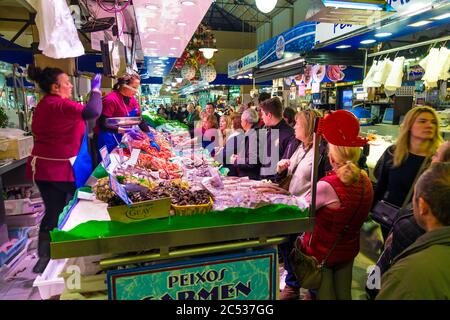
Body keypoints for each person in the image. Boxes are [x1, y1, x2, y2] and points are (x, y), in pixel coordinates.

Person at [26, 66, 103, 273]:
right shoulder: (58, 104)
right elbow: (93, 111)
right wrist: (96, 91)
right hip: (61, 170)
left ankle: (46, 256)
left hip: (44, 169)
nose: (70, 86)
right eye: (66, 82)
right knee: (69, 211)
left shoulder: (44, 105)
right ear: (55, 87)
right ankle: (64, 255)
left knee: (53, 211)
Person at [366, 140, 450, 299]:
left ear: (423, 206)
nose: (432, 157)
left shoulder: (411, 228)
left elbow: (386, 262)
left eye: (437, 154)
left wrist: (372, 288)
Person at [299, 144, 374, 300]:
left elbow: (302, 210)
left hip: (323, 253)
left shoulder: (327, 186)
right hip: (348, 250)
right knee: (344, 295)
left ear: (331, 158)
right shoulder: (365, 180)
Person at [373, 106, 443, 238]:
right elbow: (381, 185)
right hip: (390, 218)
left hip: (420, 225)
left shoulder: (438, 160)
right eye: (423, 121)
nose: (429, 125)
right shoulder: (393, 153)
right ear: (409, 125)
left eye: (433, 122)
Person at [96, 73, 154, 154]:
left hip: (122, 139)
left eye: (137, 88)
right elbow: (102, 124)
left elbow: (139, 119)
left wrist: (148, 134)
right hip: (108, 138)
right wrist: (125, 131)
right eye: (134, 88)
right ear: (124, 85)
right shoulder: (111, 100)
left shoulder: (132, 99)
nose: (136, 91)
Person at [259, 97, 295, 181]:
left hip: (277, 184)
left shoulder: (289, 135)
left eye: (263, 114)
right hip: (264, 181)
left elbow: (287, 165)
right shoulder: (270, 131)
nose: (261, 117)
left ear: (269, 115)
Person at [230, 109, 261, 180]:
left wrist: (236, 161)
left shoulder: (253, 135)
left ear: (246, 122)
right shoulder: (253, 133)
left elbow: (252, 161)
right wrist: (239, 156)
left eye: (241, 120)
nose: (241, 123)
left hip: (251, 178)